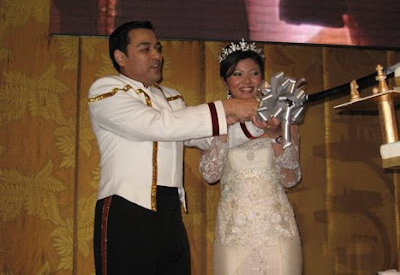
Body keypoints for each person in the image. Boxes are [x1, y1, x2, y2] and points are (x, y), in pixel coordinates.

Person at [87, 21, 264, 274]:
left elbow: (207, 138)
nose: (157, 55)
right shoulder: (107, 91)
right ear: (120, 57)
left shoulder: (170, 97)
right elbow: (157, 125)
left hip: (170, 209)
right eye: (145, 49)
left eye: (157, 48)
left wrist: (259, 123)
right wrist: (226, 109)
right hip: (126, 207)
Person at [199, 40, 303, 274]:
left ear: (262, 77)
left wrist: (276, 134)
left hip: (277, 228)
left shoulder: (282, 120)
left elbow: (291, 178)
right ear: (225, 80)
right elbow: (209, 174)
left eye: (253, 73)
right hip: (234, 230)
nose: (246, 81)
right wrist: (224, 130)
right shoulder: (213, 121)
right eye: (237, 74)